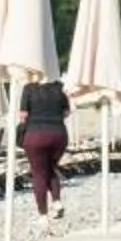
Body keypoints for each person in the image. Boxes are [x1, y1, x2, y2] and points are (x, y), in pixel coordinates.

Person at [17, 76, 73, 226]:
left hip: (36, 135)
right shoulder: (60, 87)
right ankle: (56, 201)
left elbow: (23, 116)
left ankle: (43, 215)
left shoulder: (29, 88)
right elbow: (67, 112)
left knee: (39, 174)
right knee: (50, 168)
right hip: (59, 134)